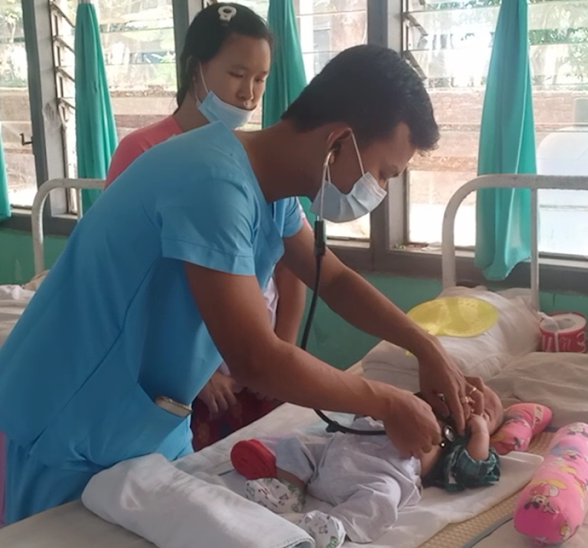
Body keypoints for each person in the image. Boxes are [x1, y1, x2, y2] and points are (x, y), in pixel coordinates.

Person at [0, 43, 485, 525]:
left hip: (146, 423)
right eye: (382, 173)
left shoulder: (272, 190)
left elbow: (333, 278)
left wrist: (425, 347)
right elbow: (255, 358)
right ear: (339, 141)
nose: (378, 190)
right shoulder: (212, 182)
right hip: (70, 420)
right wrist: (386, 402)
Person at [104, 3, 305, 449]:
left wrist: (282, 350)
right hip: (181, 379)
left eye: (260, 79)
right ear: (196, 68)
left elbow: (294, 264)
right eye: (237, 74)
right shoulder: (144, 152)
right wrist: (202, 371)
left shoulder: (258, 158)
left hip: (258, 368)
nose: (249, 94)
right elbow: (129, 279)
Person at [232, 387, 505, 548]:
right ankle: (289, 489)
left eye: (486, 412)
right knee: (295, 442)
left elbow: (475, 468)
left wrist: (479, 431)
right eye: (471, 394)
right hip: (340, 451)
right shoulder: (421, 402)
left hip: (379, 474)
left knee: (382, 498)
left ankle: (337, 525)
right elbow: (371, 407)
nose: (474, 404)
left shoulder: (456, 446)